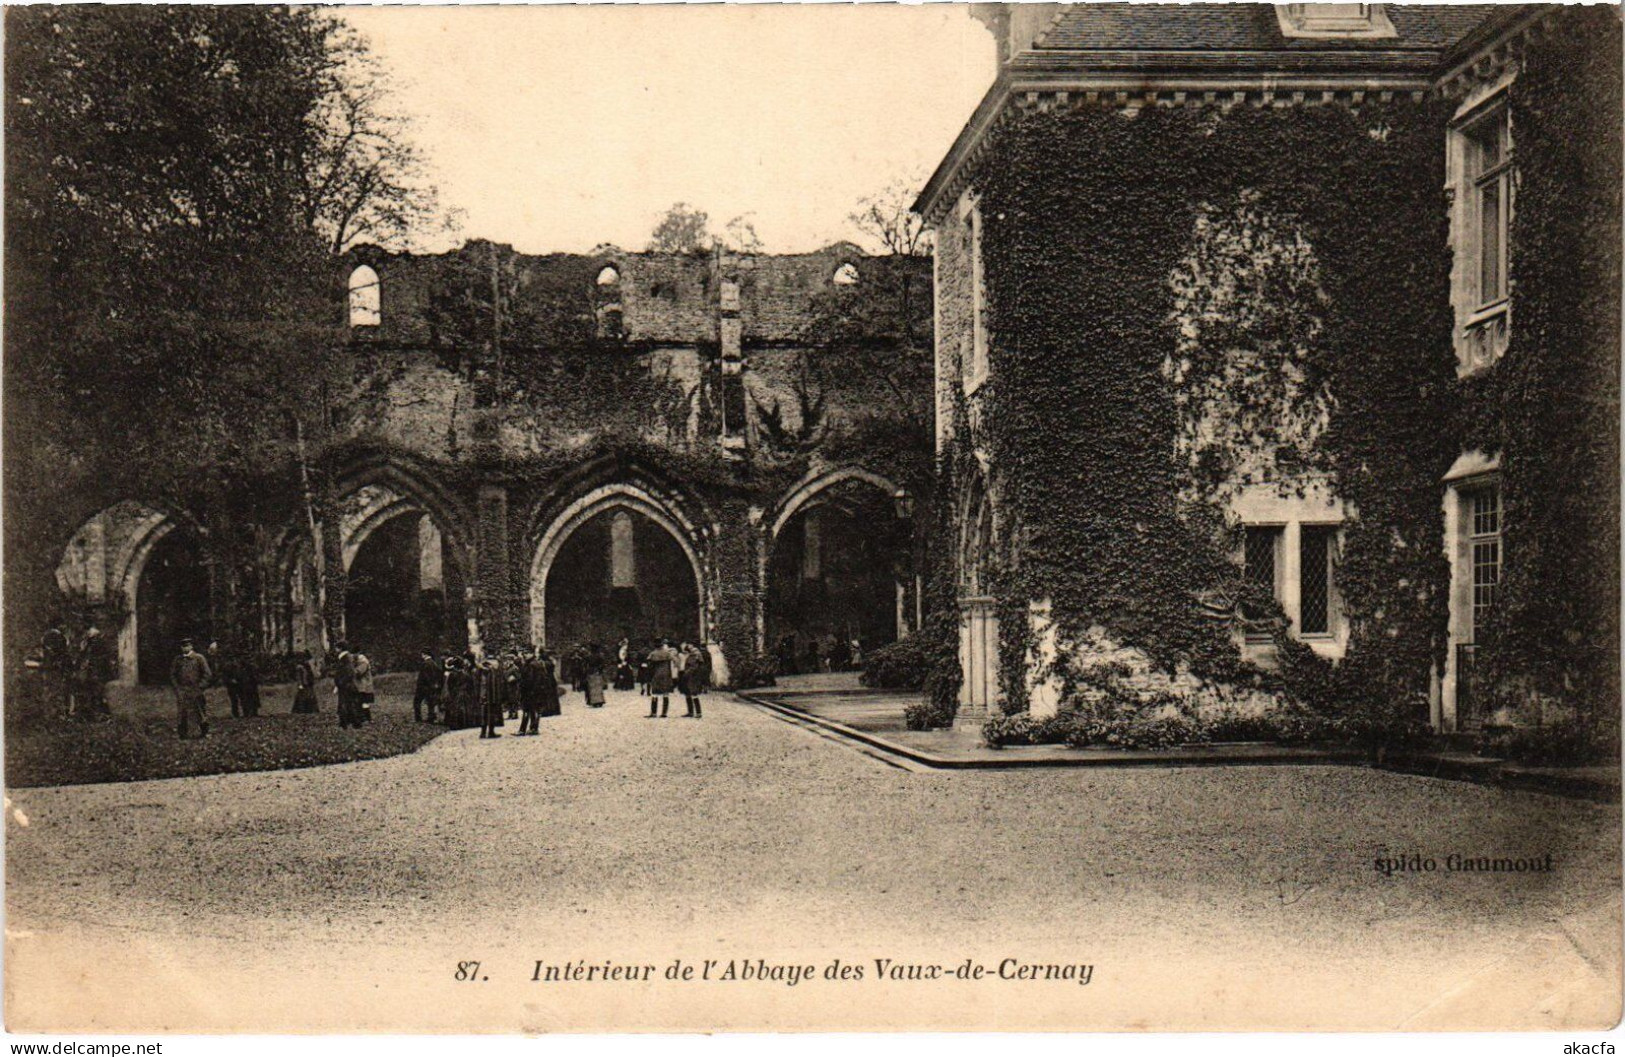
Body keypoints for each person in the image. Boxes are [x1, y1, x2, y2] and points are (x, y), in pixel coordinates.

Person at [170, 638, 212, 739]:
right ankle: (182, 734)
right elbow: (172, 675)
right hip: (183, 690)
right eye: (183, 646)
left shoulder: (199, 658)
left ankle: (204, 732)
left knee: (199, 710)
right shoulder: (178, 660)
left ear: (191, 646)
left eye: (187, 646)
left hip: (196, 689)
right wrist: (177, 687)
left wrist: (200, 686)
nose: (185, 648)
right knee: (182, 712)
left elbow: (207, 674)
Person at [74, 623, 116, 721]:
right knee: (93, 692)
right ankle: (94, 714)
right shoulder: (91, 643)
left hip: (97, 671)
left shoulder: (95, 643)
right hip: (94, 671)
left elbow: (89, 657)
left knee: (96, 692)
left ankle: (101, 714)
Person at [40, 619, 72, 718]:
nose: (65, 627)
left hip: (49, 666)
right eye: (63, 625)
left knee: (50, 689)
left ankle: (50, 713)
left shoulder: (46, 635)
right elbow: (61, 652)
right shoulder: (56, 635)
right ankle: (58, 713)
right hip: (56, 667)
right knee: (57, 689)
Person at [645, 639, 678, 719]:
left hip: (656, 675)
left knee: (655, 694)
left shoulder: (653, 653)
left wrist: (649, 675)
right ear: (662, 645)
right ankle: (664, 713)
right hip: (666, 675)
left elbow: (649, 665)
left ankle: (653, 713)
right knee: (665, 694)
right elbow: (676, 661)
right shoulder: (667, 653)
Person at [208, 641, 240, 718]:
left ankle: (234, 713)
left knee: (232, 697)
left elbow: (228, 668)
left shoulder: (224, 658)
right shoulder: (214, 659)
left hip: (228, 679)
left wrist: (231, 678)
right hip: (222, 680)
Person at [680, 640, 710, 719]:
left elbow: (693, 667)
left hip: (693, 677)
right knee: (688, 693)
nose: (687, 646)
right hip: (691, 676)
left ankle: (698, 712)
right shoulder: (692, 654)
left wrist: (686, 673)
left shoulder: (695, 654)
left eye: (689, 644)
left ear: (692, 645)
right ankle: (691, 712)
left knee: (693, 693)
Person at [413, 650, 442, 723]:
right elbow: (439, 673)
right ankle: (431, 717)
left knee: (417, 702)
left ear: (425, 654)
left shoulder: (425, 664)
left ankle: (418, 718)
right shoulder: (434, 663)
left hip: (423, 686)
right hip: (431, 686)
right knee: (430, 702)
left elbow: (425, 676)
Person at [351, 646, 375, 725]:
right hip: (360, 686)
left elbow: (358, 672)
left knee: (364, 703)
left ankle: (367, 719)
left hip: (365, 686)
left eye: (353, 654)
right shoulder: (356, 661)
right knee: (359, 703)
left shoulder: (363, 662)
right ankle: (362, 718)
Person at [583, 644, 607, 709]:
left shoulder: (588, 656)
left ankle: (593, 701)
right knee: (598, 687)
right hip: (597, 672)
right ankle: (599, 701)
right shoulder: (599, 656)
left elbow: (585, 665)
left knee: (592, 687)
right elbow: (603, 665)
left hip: (590, 672)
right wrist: (600, 670)